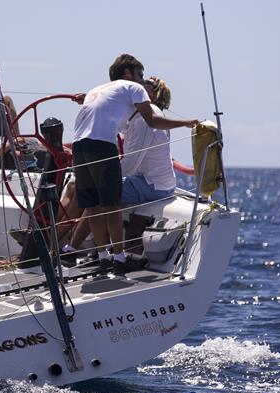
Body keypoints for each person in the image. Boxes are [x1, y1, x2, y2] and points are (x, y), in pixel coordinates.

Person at [71, 54, 198, 274]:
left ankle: (77, 250)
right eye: (141, 75)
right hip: (126, 167)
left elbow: (129, 160)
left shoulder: (113, 100)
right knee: (98, 201)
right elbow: (136, 124)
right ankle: (101, 255)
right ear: (128, 74)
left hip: (147, 181)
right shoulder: (133, 104)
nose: (142, 81)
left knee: (97, 202)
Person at [61, 75, 180, 258]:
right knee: (74, 186)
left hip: (152, 184)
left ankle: (69, 247)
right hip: (141, 179)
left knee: (97, 193)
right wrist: (90, 99)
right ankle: (57, 239)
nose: (139, 85)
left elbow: (131, 165)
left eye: (145, 84)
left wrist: (100, 173)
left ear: (153, 95)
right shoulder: (134, 116)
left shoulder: (144, 120)